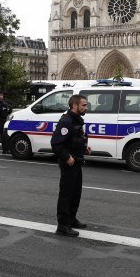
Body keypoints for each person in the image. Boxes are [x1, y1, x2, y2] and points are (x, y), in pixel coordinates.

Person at [51, 94, 91, 237]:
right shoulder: (66, 121)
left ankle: (72, 219)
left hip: (77, 160)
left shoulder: (76, 119)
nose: (86, 107)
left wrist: (84, 148)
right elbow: (56, 143)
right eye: (84, 105)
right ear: (75, 105)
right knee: (67, 193)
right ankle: (62, 225)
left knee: (76, 192)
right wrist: (67, 157)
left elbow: (76, 139)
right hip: (69, 162)